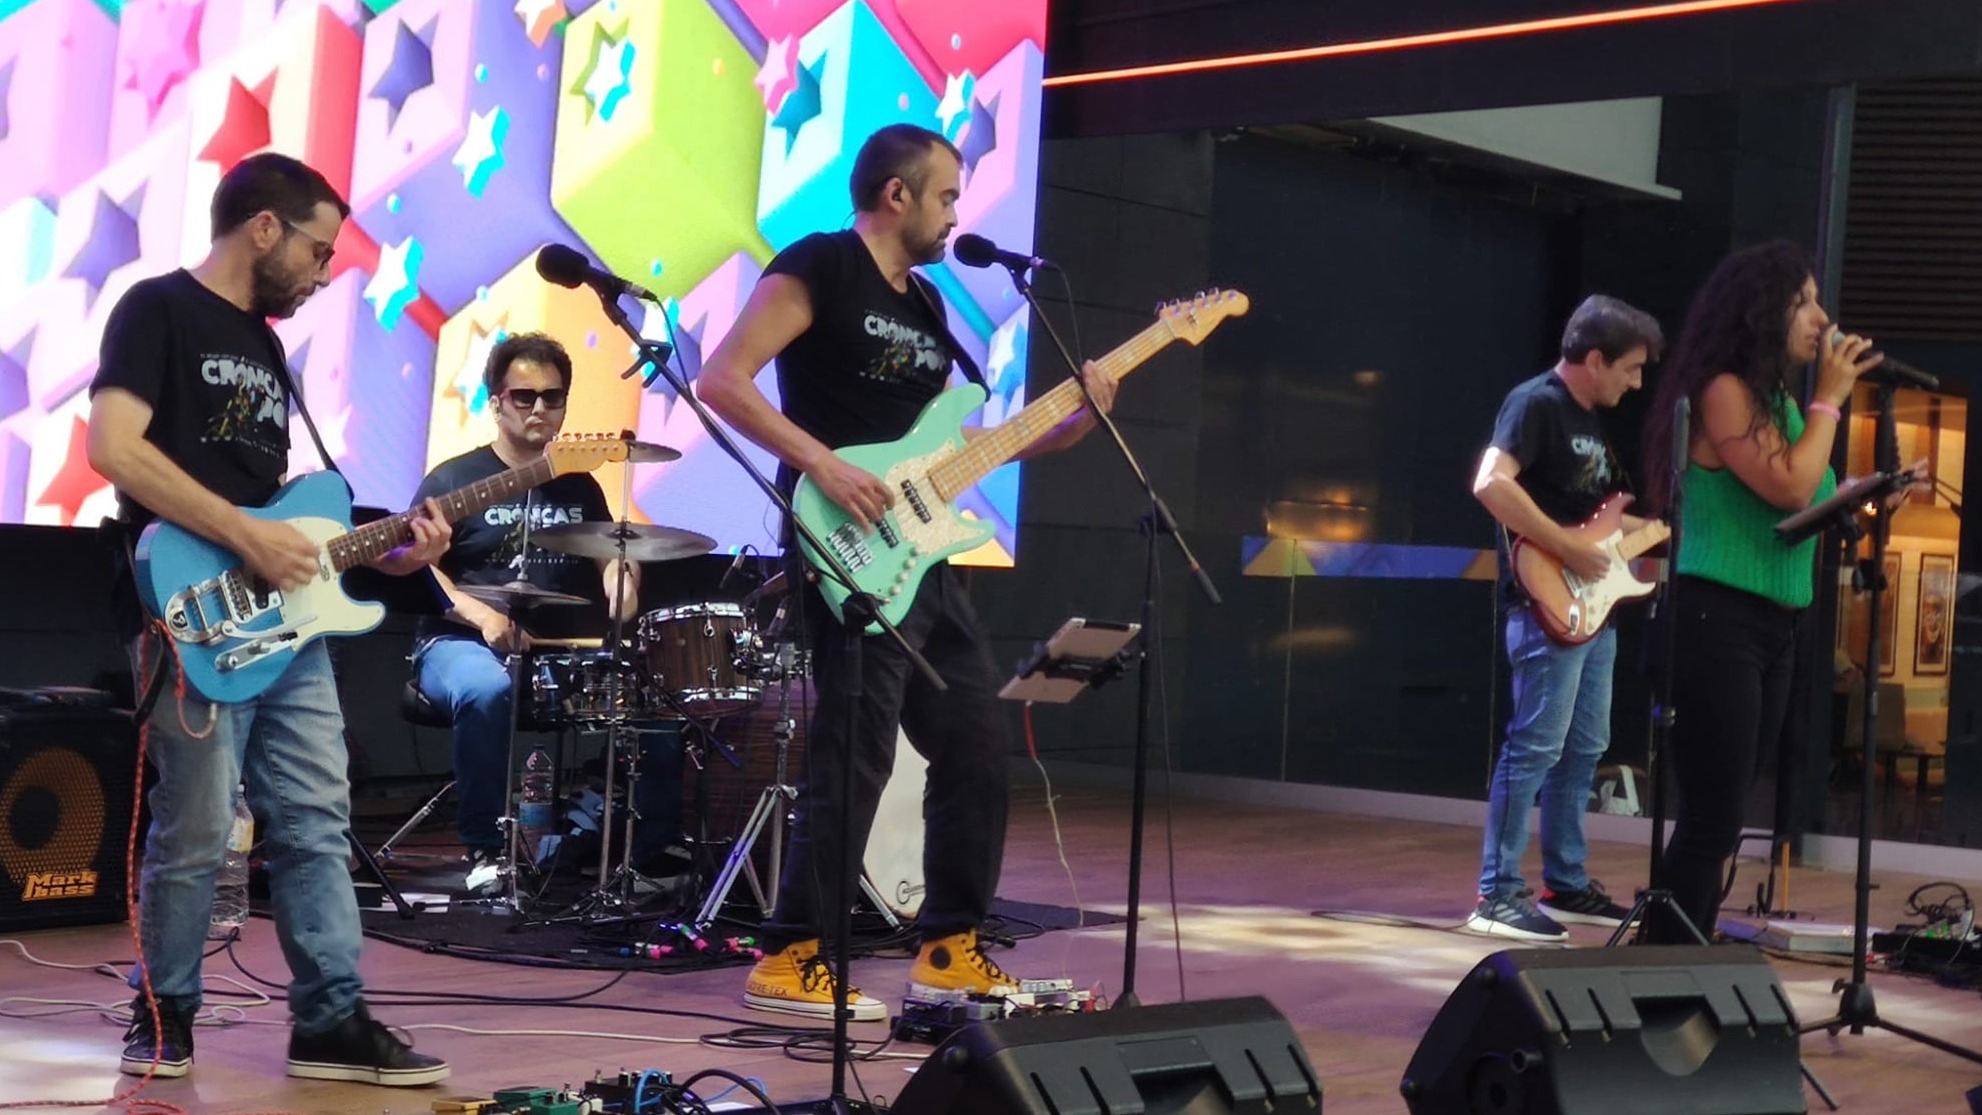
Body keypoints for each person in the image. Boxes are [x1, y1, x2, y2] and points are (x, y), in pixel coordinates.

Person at [698, 123, 1118, 1020]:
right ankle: (791, 954)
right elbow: (722, 379)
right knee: (856, 751)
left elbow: (947, 447)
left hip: (923, 560)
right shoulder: (821, 264)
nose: (956, 215)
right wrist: (821, 462)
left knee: (975, 743)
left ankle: (951, 948)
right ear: (897, 194)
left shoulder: (927, 304)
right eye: (947, 196)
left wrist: (1060, 431)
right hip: (845, 543)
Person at [86, 153, 452, 1085]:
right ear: (263, 228)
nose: (324, 272)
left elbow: (291, 515)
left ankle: (330, 1020)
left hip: (288, 626)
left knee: (317, 819)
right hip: (188, 612)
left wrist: (392, 553)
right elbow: (114, 448)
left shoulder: (266, 346)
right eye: (318, 250)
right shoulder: (156, 307)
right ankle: (162, 1011)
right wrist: (245, 534)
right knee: (199, 826)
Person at [1637, 240, 1883, 944]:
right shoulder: (1723, 389)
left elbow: (1812, 496)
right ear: (1762, 310)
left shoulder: (1776, 402)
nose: (1821, 318)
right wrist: (1830, 400)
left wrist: (1867, 493)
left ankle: (1681, 955)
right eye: (1803, 302)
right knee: (1712, 816)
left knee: (1725, 813)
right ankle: (1665, 961)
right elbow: (1792, 486)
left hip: (1775, 624)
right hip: (1716, 618)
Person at [409, 332, 676, 883]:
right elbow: (417, 566)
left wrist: (622, 580)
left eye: (552, 397)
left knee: (661, 705)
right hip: (458, 642)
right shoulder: (454, 480)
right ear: (496, 403)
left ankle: (644, 861)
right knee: (486, 689)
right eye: (524, 396)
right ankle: (484, 852)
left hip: (557, 651)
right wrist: (482, 617)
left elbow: (612, 554)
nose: (539, 409)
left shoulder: (578, 484)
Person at [1467, 294, 1665, 942]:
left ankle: (1566, 882)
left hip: (1592, 612)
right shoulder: (1536, 403)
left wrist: (1663, 530)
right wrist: (1566, 547)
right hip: (1545, 605)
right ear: (1596, 358)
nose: (1637, 383)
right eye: (1631, 369)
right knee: (1535, 747)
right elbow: (1491, 483)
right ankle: (1497, 893)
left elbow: (1599, 524)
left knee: (1583, 748)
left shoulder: (1589, 422)